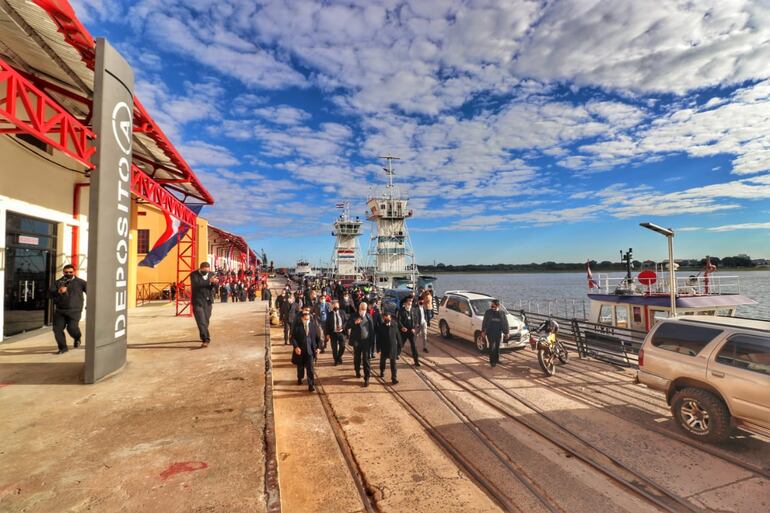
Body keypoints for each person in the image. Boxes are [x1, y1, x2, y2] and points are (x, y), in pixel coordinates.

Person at [49, 264, 87, 354]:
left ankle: (77, 337)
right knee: (57, 329)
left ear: (74, 272)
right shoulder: (58, 282)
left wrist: (90, 305)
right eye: (66, 272)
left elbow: (91, 292)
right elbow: (49, 294)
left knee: (72, 328)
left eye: (70, 272)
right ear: (63, 272)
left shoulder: (81, 282)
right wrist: (58, 292)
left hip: (75, 310)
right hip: (60, 310)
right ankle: (63, 348)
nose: (68, 273)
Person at [190, 262, 219, 348]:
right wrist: (209, 281)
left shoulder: (211, 274)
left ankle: (203, 333)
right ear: (201, 269)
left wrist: (215, 283)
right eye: (205, 270)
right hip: (197, 301)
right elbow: (196, 285)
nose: (207, 272)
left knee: (206, 320)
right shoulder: (193, 274)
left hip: (208, 301)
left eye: (208, 270)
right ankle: (206, 339)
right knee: (201, 320)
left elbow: (212, 286)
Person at [347, 302, 375, 387]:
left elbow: (372, 330)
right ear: (359, 308)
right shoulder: (353, 315)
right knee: (357, 358)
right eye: (361, 309)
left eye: (364, 309)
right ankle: (357, 371)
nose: (363, 311)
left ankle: (367, 378)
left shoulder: (369, 316)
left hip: (366, 341)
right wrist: (354, 322)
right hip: (357, 341)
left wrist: (372, 342)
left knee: (366, 360)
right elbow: (347, 326)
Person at [292, 309, 321, 392]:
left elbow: (317, 338)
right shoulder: (297, 327)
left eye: (308, 314)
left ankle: (311, 385)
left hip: (310, 351)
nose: (306, 316)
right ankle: (300, 378)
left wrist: (318, 347)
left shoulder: (312, 326)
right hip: (300, 350)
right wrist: (296, 347)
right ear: (301, 317)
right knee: (300, 367)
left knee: (310, 368)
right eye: (305, 315)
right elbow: (293, 338)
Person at [481, 299, 509, 367]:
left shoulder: (502, 313)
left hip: (498, 332)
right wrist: (483, 331)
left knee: (497, 347)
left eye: (493, 306)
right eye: (491, 305)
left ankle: (497, 360)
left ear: (498, 305)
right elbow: (484, 322)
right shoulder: (488, 312)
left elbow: (505, 323)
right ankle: (492, 362)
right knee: (492, 347)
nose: (492, 307)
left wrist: (506, 332)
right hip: (490, 332)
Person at [376, 310, 401, 384]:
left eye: (387, 317)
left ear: (390, 317)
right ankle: (382, 371)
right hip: (384, 347)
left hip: (393, 347)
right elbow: (378, 338)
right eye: (384, 317)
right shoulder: (381, 326)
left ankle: (394, 378)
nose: (386, 318)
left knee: (393, 363)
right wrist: (378, 348)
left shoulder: (394, 324)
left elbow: (398, 335)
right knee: (382, 361)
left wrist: (400, 345)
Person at [397, 296, 420, 366]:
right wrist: (402, 327)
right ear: (406, 302)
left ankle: (416, 361)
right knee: (400, 344)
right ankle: (396, 354)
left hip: (411, 331)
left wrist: (414, 328)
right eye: (409, 301)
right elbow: (398, 320)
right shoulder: (401, 310)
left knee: (413, 346)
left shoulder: (413, 310)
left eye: (411, 301)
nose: (410, 302)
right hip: (404, 331)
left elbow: (416, 320)